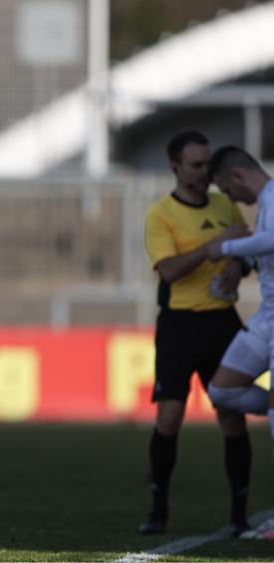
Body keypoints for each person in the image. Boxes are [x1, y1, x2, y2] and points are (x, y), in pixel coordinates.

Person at [141, 131, 252, 536]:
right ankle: (158, 509)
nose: (206, 172)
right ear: (175, 168)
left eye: (208, 163)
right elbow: (168, 270)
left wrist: (236, 267)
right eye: (197, 165)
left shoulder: (226, 204)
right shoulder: (161, 215)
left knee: (231, 415)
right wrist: (212, 249)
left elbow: (248, 252)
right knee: (169, 416)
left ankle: (239, 516)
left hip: (222, 322)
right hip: (179, 325)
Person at [206, 146, 274, 466]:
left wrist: (225, 247)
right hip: (267, 317)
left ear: (237, 175)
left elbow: (273, 239)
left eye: (227, 190)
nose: (230, 198)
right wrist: (242, 260)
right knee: (223, 391)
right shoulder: (264, 206)